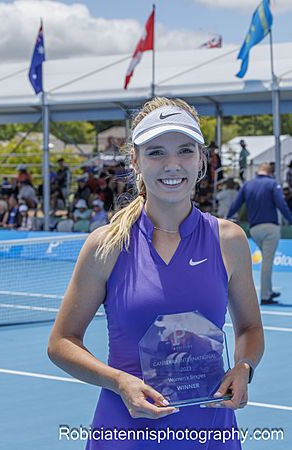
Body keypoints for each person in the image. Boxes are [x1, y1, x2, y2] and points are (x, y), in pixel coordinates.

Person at [48, 97, 264, 450]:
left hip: (210, 432)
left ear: (201, 160)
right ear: (135, 160)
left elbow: (251, 329)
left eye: (184, 150)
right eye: (156, 152)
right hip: (125, 431)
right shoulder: (106, 245)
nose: (172, 165)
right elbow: (61, 342)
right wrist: (120, 382)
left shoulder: (229, 240)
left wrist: (243, 367)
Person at [227, 162, 292, 305]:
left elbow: (236, 204)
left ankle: (267, 290)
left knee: (265, 260)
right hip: (270, 227)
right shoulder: (272, 184)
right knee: (267, 262)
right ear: (270, 172)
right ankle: (265, 295)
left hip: (254, 229)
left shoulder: (247, 184)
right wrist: (290, 219)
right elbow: (281, 204)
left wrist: (225, 217)